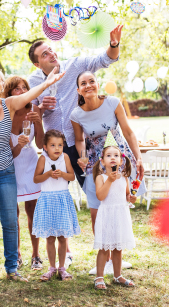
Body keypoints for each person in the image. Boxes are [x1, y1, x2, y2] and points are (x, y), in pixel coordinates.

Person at [27, 25, 123, 269]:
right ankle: (65, 254)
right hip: (53, 149)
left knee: (97, 200)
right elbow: (31, 111)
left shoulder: (75, 65)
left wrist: (113, 45)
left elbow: (105, 60)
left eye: (51, 50)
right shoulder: (34, 80)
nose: (51, 54)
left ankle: (109, 256)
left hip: (80, 147)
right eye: (44, 54)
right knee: (56, 198)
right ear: (38, 64)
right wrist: (40, 108)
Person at [0, 66, 64, 282]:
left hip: (6, 171)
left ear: (2, 84)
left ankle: (12, 269)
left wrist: (46, 83)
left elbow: (27, 95)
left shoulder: (9, 105)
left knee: (9, 220)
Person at [70, 71, 145, 275]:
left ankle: (117, 260)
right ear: (78, 90)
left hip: (119, 159)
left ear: (97, 84)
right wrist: (82, 156)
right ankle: (106, 259)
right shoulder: (76, 114)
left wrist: (138, 158)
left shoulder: (112, 103)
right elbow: (79, 140)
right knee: (97, 213)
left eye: (91, 81)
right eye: (83, 83)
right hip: (96, 164)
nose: (88, 85)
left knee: (118, 208)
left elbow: (128, 132)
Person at [2, 76, 44, 270]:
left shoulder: (34, 110)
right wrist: (19, 144)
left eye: (24, 88)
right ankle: (16, 255)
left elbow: (41, 145)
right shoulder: (5, 113)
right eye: (16, 89)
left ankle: (36, 255)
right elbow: (11, 154)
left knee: (32, 213)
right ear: (9, 93)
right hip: (11, 166)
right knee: (13, 215)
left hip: (31, 165)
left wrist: (39, 123)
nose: (21, 91)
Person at [32, 130, 80, 282]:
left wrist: (62, 175)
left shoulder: (65, 157)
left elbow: (72, 176)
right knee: (50, 237)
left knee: (62, 237)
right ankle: (52, 267)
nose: (57, 148)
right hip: (47, 200)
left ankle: (62, 268)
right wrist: (48, 174)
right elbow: (36, 179)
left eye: (60, 145)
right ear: (45, 147)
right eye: (53, 145)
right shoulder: (42, 159)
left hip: (62, 199)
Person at [91, 143, 136, 290]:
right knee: (104, 248)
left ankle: (117, 276)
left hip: (120, 215)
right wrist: (110, 180)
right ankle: (99, 277)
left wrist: (131, 197)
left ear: (121, 161)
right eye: (108, 155)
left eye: (116, 155)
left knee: (118, 247)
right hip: (107, 216)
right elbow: (100, 196)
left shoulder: (124, 178)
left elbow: (126, 195)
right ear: (102, 161)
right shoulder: (101, 178)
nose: (112, 158)